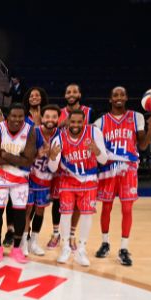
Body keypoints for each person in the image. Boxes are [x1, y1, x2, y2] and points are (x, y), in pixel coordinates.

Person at [94, 86, 151, 266]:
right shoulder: (100, 122)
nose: (119, 97)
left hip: (128, 169)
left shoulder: (137, 117)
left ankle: (124, 248)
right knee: (106, 208)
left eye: (122, 94)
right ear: (110, 99)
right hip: (108, 170)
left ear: (127, 97)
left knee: (127, 209)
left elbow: (143, 146)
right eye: (115, 95)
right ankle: (105, 243)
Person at [47, 109, 110, 267]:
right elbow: (53, 168)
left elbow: (103, 159)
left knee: (87, 214)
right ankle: (65, 247)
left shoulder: (94, 133)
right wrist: (53, 157)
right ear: (67, 122)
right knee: (66, 214)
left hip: (89, 180)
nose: (75, 125)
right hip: (68, 180)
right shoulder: (60, 137)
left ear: (84, 122)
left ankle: (81, 249)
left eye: (79, 122)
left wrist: (96, 150)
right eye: (72, 122)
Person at [0, 103, 36, 263]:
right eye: (14, 116)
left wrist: (6, 155)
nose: (17, 120)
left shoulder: (30, 130)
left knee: (19, 213)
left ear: (24, 117)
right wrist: (19, 158)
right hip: (0, 176)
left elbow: (29, 161)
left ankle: (16, 248)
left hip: (21, 178)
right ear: (8, 117)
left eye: (20, 117)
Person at [49, 83, 92, 250]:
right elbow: (53, 132)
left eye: (75, 91)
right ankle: (55, 233)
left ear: (80, 94)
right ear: (65, 95)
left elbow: (90, 133)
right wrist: (62, 124)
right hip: (61, 161)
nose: (71, 94)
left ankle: (72, 235)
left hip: (81, 163)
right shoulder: (59, 113)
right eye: (68, 92)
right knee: (58, 200)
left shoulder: (88, 112)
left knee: (77, 203)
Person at [26, 105, 61, 256]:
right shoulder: (33, 132)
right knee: (27, 211)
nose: (50, 120)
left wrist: (53, 157)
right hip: (29, 177)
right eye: (47, 116)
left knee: (40, 211)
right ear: (42, 118)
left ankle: (34, 241)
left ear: (58, 119)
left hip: (46, 179)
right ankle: (23, 242)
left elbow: (56, 165)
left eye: (54, 117)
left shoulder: (60, 135)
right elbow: (24, 157)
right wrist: (37, 154)